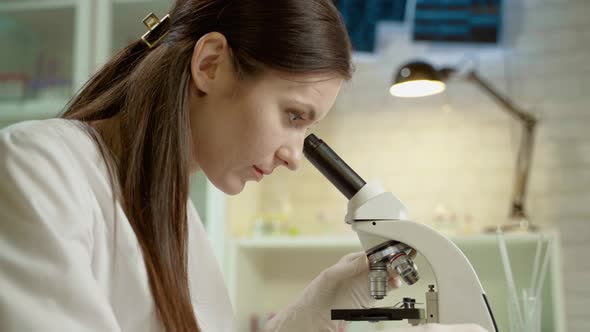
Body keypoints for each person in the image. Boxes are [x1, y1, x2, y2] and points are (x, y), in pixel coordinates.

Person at [0, 0, 488, 331]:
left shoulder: (179, 220)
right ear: (210, 64)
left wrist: (323, 303)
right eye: (292, 116)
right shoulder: (40, 167)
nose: (294, 156)